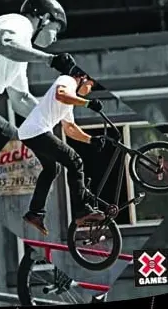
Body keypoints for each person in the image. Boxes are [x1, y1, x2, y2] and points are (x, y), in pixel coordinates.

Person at [0, 0, 78, 190]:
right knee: (28, 156)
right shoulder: (18, 23)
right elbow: (6, 46)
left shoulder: (21, 51)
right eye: (56, 30)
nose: (55, 37)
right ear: (44, 18)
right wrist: (50, 59)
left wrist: (58, 116)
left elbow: (20, 99)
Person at [17, 65, 105, 236]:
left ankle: (35, 212)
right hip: (37, 131)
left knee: (52, 169)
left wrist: (90, 139)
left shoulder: (70, 101)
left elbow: (70, 128)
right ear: (83, 77)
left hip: (30, 133)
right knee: (75, 161)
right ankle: (81, 210)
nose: (89, 91)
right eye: (91, 86)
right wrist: (88, 103)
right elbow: (60, 94)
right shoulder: (68, 80)